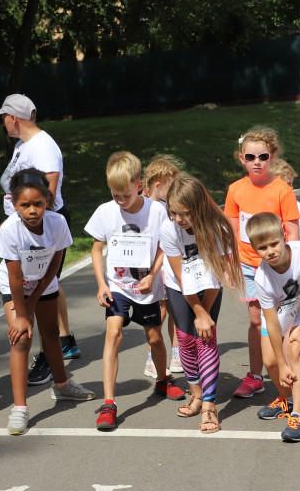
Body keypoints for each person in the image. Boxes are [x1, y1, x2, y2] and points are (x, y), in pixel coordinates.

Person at [86, 151, 186, 431]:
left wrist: (153, 274)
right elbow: (96, 249)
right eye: (114, 195)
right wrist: (102, 283)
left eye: (125, 196)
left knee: (154, 338)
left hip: (147, 288)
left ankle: (163, 379)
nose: (120, 201)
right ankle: (109, 403)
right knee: (113, 333)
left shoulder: (157, 211)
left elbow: (166, 246)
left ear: (139, 185)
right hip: (117, 286)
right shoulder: (106, 212)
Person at [0, 168, 96, 435]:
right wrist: (22, 314)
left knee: (50, 334)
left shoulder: (58, 223)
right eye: (24, 205)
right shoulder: (9, 230)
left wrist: (34, 300)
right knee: (22, 338)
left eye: (38, 204)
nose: (32, 210)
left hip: (43, 282)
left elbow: (56, 262)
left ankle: (62, 386)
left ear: (47, 202)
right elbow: (15, 278)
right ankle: (19, 408)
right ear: (14, 205)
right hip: (15, 286)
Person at [0, 94, 79, 383]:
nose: (3, 124)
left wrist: (26, 227)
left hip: (38, 227)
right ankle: (63, 342)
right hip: (21, 225)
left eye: (4, 118)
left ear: (13, 118)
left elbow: (46, 198)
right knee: (46, 284)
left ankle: (50, 352)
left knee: (44, 284)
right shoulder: (23, 145)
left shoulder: (43, 147)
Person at [162, 175, 244, 433]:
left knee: (206, 337)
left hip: (209, 284)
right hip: (180, 285)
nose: (178, 219)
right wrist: (197, 312)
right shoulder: (169, 229)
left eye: (184, 213)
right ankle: (196, 394)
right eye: (173, 212)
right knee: (185, 338)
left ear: (198, 207)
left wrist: (205, 312)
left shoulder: (217, 228)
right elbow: (181, 276)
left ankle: (209, 405)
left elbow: (217, 275)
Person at [223, 126, 300, 400]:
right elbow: (231, 232)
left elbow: (292, 233)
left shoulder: (282, 191)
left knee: (282, 321)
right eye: (250, 157)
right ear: (241, 158)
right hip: (247, 265)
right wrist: (230, 263)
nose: (257, 162)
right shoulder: (235, 190)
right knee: (256, 320)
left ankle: (287, 371)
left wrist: (291, 267)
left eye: (263, 157)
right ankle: (256, 376)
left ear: (273, 156)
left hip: (277, 266)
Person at [248, 212, 300, 442]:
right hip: (279, 312)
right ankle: (286, 400)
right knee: (270, 360)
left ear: (284, 237)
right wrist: (281, 365)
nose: (270, 251)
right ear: (254, 249)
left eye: (274, 243)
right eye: (262, 248)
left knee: (295, 349)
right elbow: (270, 321)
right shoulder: (262, 277)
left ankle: (299, 416)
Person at [143, 154, 184, 378]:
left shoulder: (171, 206)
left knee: (175, 309)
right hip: (153, 267)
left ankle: (177, 353)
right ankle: (152, 357)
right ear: (158, 185)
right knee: (158, 312)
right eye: (171, 186)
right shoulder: (147, 207)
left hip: (170, 264)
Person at [269, 158, 300, 240]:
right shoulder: (269, 208)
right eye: (287, 184)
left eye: (291, 183)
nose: (291, 188)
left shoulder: (297, 205)